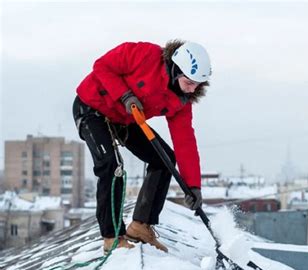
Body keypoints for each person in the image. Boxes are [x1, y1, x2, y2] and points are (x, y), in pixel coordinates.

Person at [72, 40, 211, 253]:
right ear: (176, 70)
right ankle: (112, 237)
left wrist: (193, 186)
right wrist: (125, 95)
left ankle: (141, 226)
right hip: (92, 107)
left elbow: (185, 141)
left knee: (164, 159)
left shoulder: (182, 100)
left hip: (125, 119)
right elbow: (102, 66)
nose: (192, 89)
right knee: (112, 166)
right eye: (189, 82)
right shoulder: (143, 54)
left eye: (197, 85)